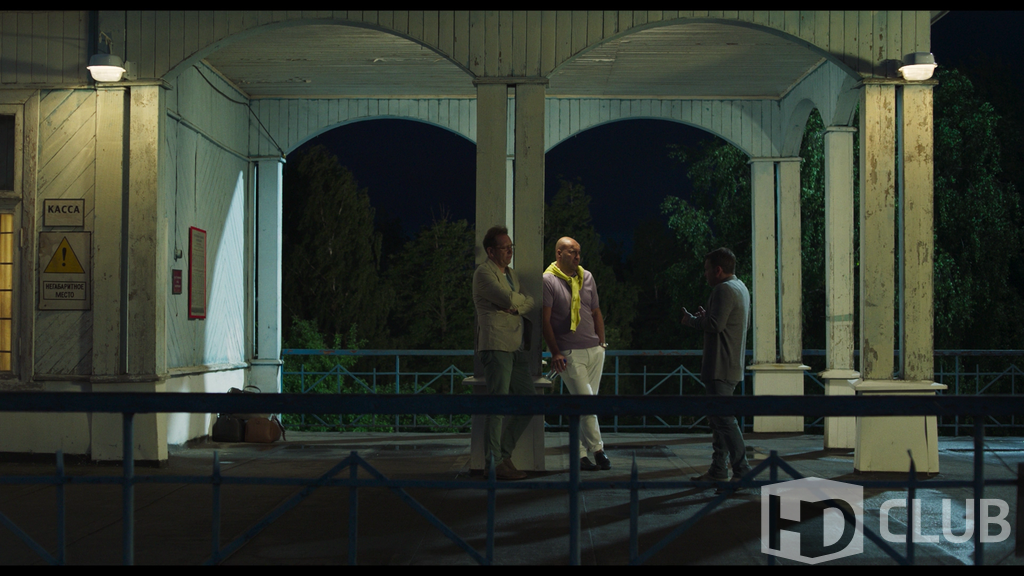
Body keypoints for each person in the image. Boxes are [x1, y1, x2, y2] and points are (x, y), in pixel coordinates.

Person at [681, 247, 751, 493]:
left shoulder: (723, 290)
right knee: (719, 421)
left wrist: (691, 320)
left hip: (720, 365)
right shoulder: (740, 287)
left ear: (718, 270)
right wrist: (708, 316)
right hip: (731, 364)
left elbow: (715, 324)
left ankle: (742, 473)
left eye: (707, 269)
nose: (705, 274)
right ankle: (719, 469)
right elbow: (725, 322)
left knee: (725, 421)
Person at [542, 237, 611, 471]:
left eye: (579, 252)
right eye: (572, 252)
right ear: (559, 253)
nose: (577, 256)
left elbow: (595, 311)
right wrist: (555, 352)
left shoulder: (587, 277)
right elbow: (545, 321)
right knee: (587, 403)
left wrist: (602, 344)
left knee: (585, 406)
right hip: (569, 353)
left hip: (594, 350)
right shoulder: (548, 280)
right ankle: (598, 450)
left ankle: (580, 455)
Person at [473, 225, 535, 480]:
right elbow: (509, 300)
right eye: (504, 248)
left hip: (515, 346)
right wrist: (516, 301)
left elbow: (529, 301)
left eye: (511, 247)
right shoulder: (483, 273)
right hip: (496, 344)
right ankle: (493, 464)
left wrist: (516, 304)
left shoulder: (511, 274)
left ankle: (503, 454)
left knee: (529, 401)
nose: (510, 251)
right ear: (491, 251)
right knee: (497, 405)